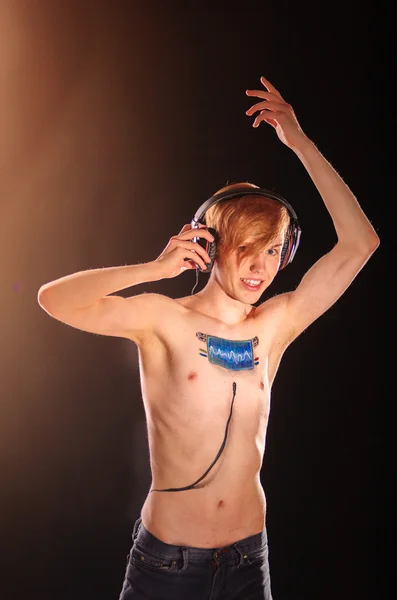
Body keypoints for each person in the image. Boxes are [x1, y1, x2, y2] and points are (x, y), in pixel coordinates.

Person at [37, 76, 379, 600]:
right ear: (212, 244)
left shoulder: (275, 324)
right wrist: (153, 268)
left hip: (249, 558)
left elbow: (361, 243)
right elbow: (54, 299)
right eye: (248, 246)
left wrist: (300, 142)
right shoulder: (163, 319)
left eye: (273, 251)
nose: (260, 266)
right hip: (168, 565)